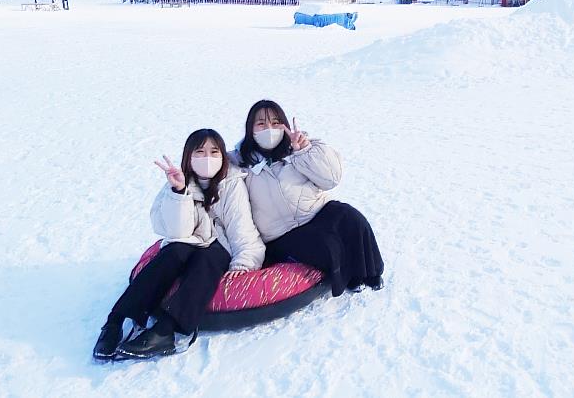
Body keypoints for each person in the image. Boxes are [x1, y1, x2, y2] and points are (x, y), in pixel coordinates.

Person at [93, 129, 265, 360]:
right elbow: (176, 231)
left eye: (214, 152)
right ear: (189, 156)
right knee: (173, 252)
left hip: (220, 245)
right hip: (188, 240)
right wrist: (180, 192)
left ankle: (165, 330)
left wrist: (244, 263)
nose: (207, 158)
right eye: (200, 152)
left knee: (208, 259)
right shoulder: (178, 179)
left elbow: (241, 227)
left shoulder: (232, 183)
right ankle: (116, 320)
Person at [228, 100, 384, 297]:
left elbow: (331, 178)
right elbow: (213, 172)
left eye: (275, 123)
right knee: (327, 245)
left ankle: (371, 272)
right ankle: (350, 278)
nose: (269, 129)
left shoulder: (299, 148)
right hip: (280, 233)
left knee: (353, 219)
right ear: (250, 129)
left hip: (316, 211)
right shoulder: (239, 160)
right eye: (261, 124)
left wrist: (304, 151)